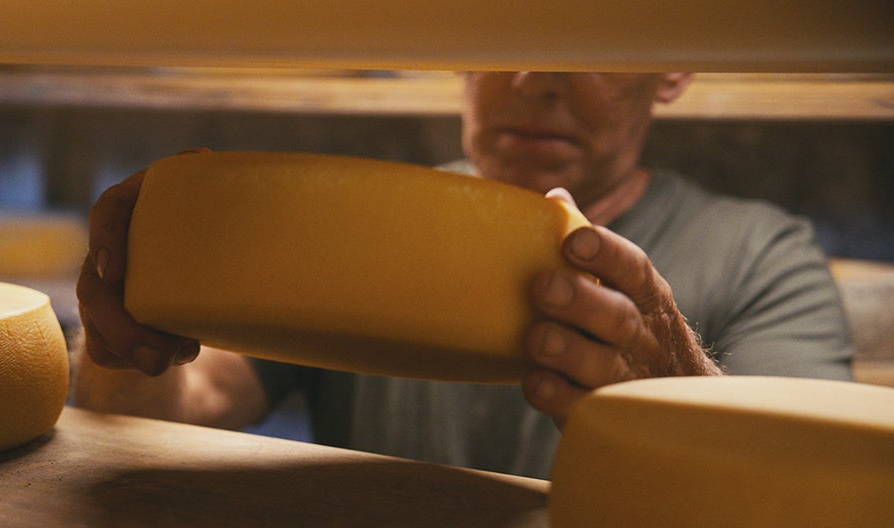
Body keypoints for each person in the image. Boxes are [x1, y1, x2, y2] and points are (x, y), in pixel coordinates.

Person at [73, 72, 854, 479]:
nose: (529, 79)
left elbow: (816, 504)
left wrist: (681, 404)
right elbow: (187, 401)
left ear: (673, 67)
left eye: (588, 30)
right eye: (498, 23)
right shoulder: (359, 220)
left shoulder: (761, 254)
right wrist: (128, 329)